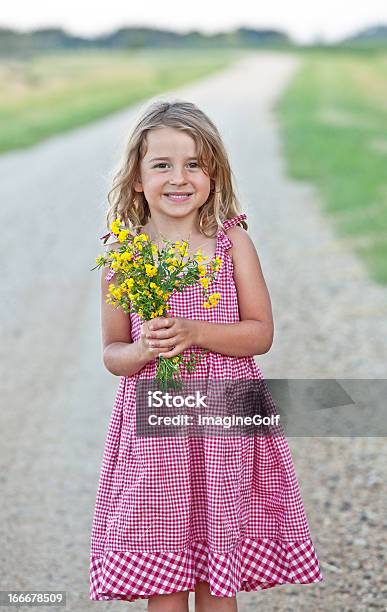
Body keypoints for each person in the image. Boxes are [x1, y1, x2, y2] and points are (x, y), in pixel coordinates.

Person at [89, 99, 323, 611]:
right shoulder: (124, 254)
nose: (179, 177)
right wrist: (143, 348)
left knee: (218, 580)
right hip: (157, 435)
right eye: (162, 165)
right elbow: (112, 353)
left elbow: (260, 334)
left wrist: (195, 331)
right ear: (136, 178)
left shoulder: (231, 242)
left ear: (213, 173)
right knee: (165, 580)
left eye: (194, 163)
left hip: (225, 428)